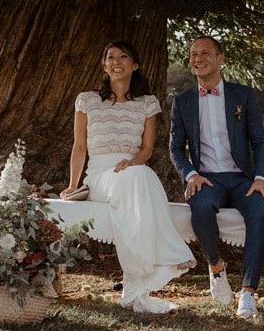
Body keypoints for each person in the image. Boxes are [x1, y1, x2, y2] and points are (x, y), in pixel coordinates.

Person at [63, 39, 196, 314]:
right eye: (110, 57)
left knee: (142, 175)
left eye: (123, 57)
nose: (116, 62)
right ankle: (159, 263)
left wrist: (131, 162)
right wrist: (73, 185)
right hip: (100, 175)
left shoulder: (147, 104)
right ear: (104, 65)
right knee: (140, 178)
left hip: (132, 169)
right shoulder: (87, 101)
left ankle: (137, 282)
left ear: (134, 65)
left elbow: (147, 149)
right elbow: (78, 147)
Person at [169, 35, 264, 319]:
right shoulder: (183, 101)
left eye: (204, 53)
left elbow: (260, 141)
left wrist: (261, 178)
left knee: (258, 214)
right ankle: (216, 267)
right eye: (192, 54)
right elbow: (175, 147)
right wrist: (190, 174)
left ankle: (248, 293)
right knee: (200, 209)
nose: (197, 58)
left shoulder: (244, 96)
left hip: (242, 178)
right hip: (207, 179)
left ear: (220, 59)